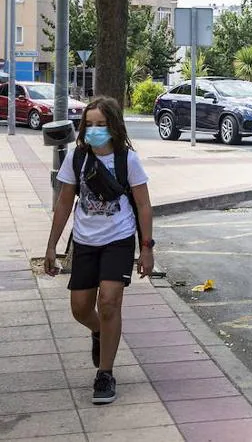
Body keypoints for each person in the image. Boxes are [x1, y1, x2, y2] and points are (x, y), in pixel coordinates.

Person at [44, 97, 154, 406]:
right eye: (89, 125)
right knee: (80, 308)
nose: (94, 130)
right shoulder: (77, 158)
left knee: (108, 303)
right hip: (85, 241)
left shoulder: (127, 160)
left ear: (114, 127)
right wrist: (52, 245)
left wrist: (146, 248)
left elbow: (143, 205)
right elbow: (65, 202)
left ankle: (104, 373)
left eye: (101, 125)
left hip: (118, 239)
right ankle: (99, 333)